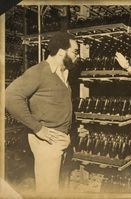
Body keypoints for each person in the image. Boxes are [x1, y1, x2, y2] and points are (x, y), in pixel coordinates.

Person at [5, 31, 80, 193]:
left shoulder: (63, 73)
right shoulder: (39, 71)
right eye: (75, 51)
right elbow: (10, 97)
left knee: (52, 189)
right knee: (47, 192)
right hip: (47, 142)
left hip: (58, 140)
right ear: (61, 52)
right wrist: (38, 128)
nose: (78, 56)